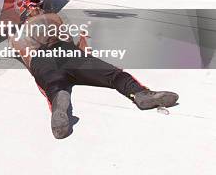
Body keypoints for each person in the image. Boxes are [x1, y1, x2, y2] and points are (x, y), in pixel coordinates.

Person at [11, 8, 179, 139]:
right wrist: (83, 39)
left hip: (41, 60)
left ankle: (59, 104)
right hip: (70, 54)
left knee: (54, 87)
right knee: (115, 75)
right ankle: (139, 93)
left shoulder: (16, 38)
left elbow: (23, 56)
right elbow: (78, 46)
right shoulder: (53, 18)